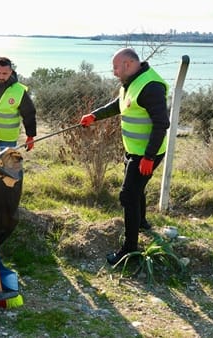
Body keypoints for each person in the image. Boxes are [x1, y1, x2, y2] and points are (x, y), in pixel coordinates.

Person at [80, 48, 170, 266]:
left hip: (146, 153)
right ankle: (142, 224)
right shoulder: (132, 82)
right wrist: (95, 115)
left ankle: (130, 251)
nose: (114, 72)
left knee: (128, 195)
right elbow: (120, 106)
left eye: (116, 67)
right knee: (136, 189)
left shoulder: (151, 86)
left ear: (128, 64)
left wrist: (148, 157)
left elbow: (161, 124)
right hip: (135, 150)